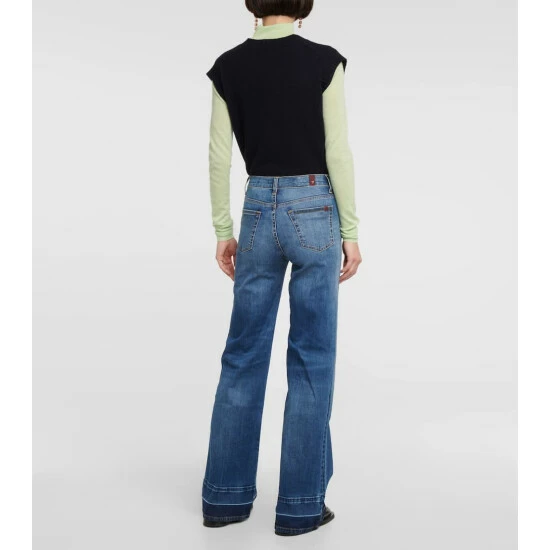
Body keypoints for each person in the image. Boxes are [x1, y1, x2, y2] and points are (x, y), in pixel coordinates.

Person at [201, 0, 362, 537]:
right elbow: (337, 150)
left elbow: (218, 156)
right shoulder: (324, 61)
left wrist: (224, 229)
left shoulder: (228, 66)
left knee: (242, 354)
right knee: (312, 357)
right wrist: (350, 230)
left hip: (255, 210)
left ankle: (224, 500)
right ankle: (299, 507)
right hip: (314, 208)